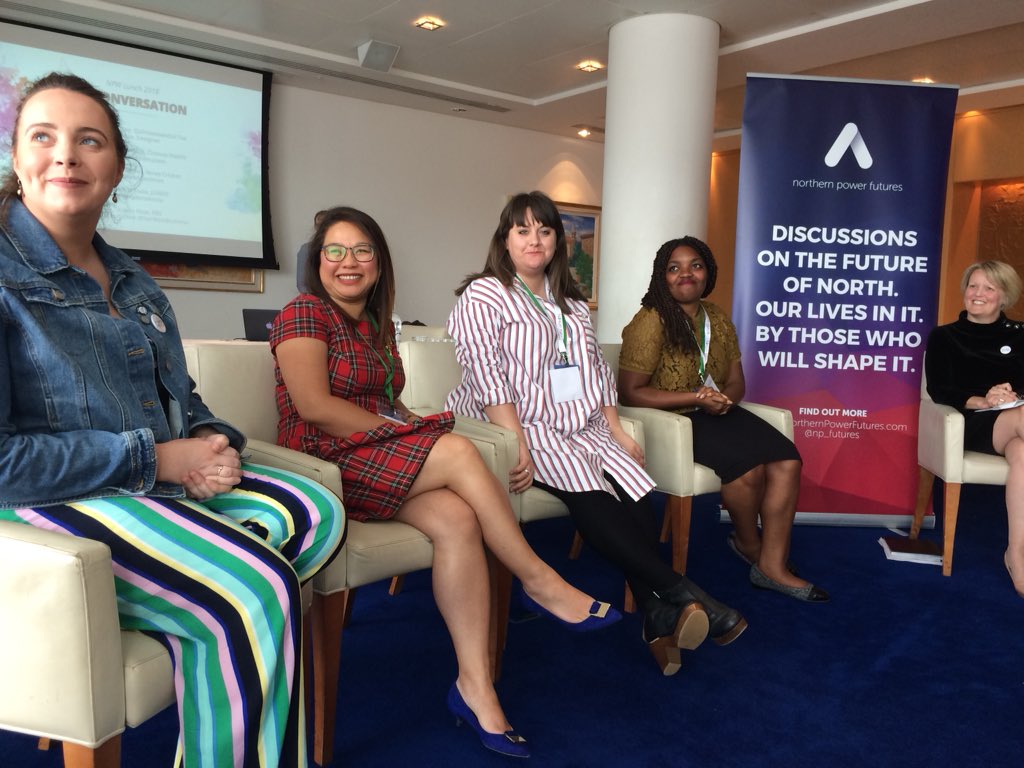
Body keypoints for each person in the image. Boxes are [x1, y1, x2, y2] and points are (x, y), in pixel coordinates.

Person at [0, 73, 346, 768]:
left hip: (149, 486)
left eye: (89, 140)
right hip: (47, 501)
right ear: (16, 159)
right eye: (44, 137)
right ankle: (221, 606)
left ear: (118, 167)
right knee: (256, 590)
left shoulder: (133, 278)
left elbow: (181, 402)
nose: (65, 155)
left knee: (318, 511)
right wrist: (160, 461)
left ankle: (196, 611)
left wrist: (215, 441)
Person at [270, 204, 620, 759]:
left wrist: (406, 423)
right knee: (456, 449)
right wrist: (401, 432)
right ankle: (538, 578)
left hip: (372, 454)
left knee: (457, 519)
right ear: (318, 261)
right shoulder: (304, 313)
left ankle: (474, 688)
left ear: (380, 263)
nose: (349, 262)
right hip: (323, 459)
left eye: (363, 251)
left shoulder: (378, 324)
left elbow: (387, 401)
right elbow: (316, 408)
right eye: (335, 251)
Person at [445, 191, 747, 677]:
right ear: (505, 239)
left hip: (575, 420)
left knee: (631, 482)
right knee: (588, 485)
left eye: (544, 230)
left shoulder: (570, 301)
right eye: (523, 230)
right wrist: (514, 438)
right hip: (507, 421)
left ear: (557, 241)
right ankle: (688, 595)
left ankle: (659, 612)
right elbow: (485, 371)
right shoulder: (485, 293)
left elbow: (595, 371)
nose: (534, 240)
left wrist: (613, 427)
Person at [618, 236, 828, 603]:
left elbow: (736, 380)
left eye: (695, 265)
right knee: (747, 469)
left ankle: (772, 565)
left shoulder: (716, 317)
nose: (686, 274)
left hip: (717, 411)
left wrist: (725, 399)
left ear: (708, 272)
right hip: (672, 419)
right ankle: (750, 545)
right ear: (661, 277)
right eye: (674, 268)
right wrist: (696, 398)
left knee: (787, 460)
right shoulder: (650, 321)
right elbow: (631, 392)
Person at [925, 260, 1024, 598]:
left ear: (1004, 297)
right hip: (969, 422)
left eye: (988, 288)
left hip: (1013, 419)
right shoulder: (944, 337)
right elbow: (940, 390)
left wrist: (1009, 395)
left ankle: (1016, 554)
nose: (978, 294)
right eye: (973, 286)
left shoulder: (1021, 335)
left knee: (1023, 455)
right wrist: (984, 400)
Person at [296, 208, 328, 292]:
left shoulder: (342, 248)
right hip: (315, 299)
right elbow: (302, 284)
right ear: (315, 226)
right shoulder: (306, 249)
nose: (322, 227)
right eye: (319, 223)